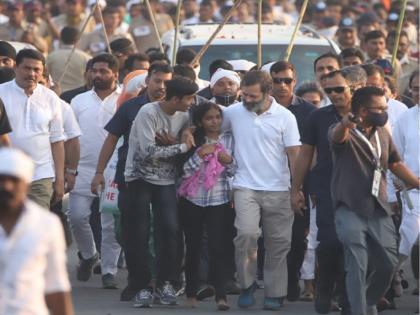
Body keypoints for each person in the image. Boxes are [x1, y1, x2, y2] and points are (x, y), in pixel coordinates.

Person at [329, 86, 420, 315]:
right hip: (349, 206)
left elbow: (396, 164)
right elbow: (336, 138)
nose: (384, 112)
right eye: (379, 108)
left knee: (389, 263)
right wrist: (346, 124)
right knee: (357, 262)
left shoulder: (383, 133)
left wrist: (418, 183)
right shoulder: (344, 131)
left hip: (378, 207)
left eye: (385, 108)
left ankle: (369, 299)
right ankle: (359, 310)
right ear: (362, 110)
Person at [91, 62, 173, 301]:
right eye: (157, 80)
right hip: (130, 178)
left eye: (167, 82)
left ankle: (158, 281)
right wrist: (99, 172)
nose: (161, 86)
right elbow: (111, 139)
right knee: (127, 231)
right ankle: (138, 280)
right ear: (148, 82)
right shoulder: (130, 107)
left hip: (164, 179)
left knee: (163, 230)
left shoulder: (176, 108)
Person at [221, 70, 300, 310]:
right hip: (245, 186)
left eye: (252, 96)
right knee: (245, 235)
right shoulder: (233, 112)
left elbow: (294, 154)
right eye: (243, 95)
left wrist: (297, 188)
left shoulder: (285, 117)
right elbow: (211, 127)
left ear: (267, 93)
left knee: (278, 243)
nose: (246, 100)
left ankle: (275, 292)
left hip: (279, 189)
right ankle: (246, 284)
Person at [291, 66, 367, 314]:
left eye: (339, 89)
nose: (333, 94)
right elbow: (305, 153)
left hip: (361, 190)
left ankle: (348, 297)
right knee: (331, 243)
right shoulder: (318, 117)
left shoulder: (369, 116)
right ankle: (324, 288)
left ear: (354, 89)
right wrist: (296, 189)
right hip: (326, 187)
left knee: (352, 244)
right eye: (329, 90)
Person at [124, 77, 198, 307]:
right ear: (175, 98)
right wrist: (181, 146)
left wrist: (175, 141)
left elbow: (192, 136)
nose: (192, 102)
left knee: (170, 230)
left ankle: (166, 282)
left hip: (166, 180)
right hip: (139, 177)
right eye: (188, 98)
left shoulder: (186, 116)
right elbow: (147, 150)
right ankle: (142, 285)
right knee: (139, 232)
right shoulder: (148, 112)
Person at [69, 54, 122, 287]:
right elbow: (70, 137)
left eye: (103, 71)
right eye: (94, 71)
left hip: (112, 170)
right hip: (82, 168)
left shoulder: (125, 100)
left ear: (115, 74)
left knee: (109, 223)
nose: (97, 75)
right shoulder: (78, 101)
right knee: (77, 216)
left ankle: (109, 271)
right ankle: (90, 255)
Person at [0, 147, 73, 315]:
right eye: (1, 179)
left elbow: (57, 287)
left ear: (26, 185)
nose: (7, 186)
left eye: (14, 180)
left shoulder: (47, 225)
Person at [178, 102, 235, 311]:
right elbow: (183, 171)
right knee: (192, 246)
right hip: (193, 199)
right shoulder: (192, 139)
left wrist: (228, 161)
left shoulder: (228, 139)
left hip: (219, 200)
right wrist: (199, 154)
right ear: (200, 121)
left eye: (218, 117)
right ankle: (191, 293)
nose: (214, 121)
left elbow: (234, 171)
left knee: (218, 246)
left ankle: (221, 296)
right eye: (209, 118)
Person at [269, 60, 315, 301]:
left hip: (299, 182)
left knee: (297, 236)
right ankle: (276, 283)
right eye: (277, 80)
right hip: (267, 181)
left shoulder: (308, 111)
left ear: (294, 82)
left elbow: (312, 152)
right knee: (272, 237)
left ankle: (291, 280)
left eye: (287, 80)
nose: (282, 85)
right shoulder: (259, 108)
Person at [0, 49, 65, 210]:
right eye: (27, 68)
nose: (32, 74)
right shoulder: (1, 93)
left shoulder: (51, 98)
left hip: (40, 176)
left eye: (37, 70)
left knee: (36, 227)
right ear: (15, 67)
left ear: (43, 71)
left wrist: (60, 179)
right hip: (6, 175)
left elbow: (57, 141)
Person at [391, 70, 419, 294]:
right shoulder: (405, 118)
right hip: (412, 190)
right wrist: (401, 180)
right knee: (409, 236)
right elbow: (395, 156)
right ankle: (390, 274)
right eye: (416, 89)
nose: (419, 93)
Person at [47, 26, 92, 93]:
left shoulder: (51, 56)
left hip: (58, 94)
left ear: (61, 38)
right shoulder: (86, 58)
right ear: (78, 40)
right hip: (79, 95)